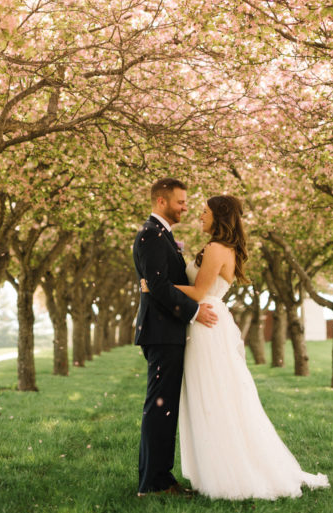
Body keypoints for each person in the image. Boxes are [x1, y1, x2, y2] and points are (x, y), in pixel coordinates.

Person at [141, 194, 330, 500]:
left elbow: (200, 291)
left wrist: (156, 285)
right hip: (204, 324)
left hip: (207, 324)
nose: (199, 216)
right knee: (209, 398)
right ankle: (212, 469)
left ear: (219, 216)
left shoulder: (217, 248)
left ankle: (230, 473)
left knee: (215, 399)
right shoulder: (217, 247)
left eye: (204, 212)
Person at [133, 178, 218, 498]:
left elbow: (159, 284)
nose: (185, 207)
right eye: (180, 202)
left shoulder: (161, 235)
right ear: (160, 202)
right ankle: (156, 483)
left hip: (164, 331)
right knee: (160, 407)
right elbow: (157, 286)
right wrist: (195, 312)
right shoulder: (152, 235)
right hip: (162, 331)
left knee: (162, 406)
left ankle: (152, 479)